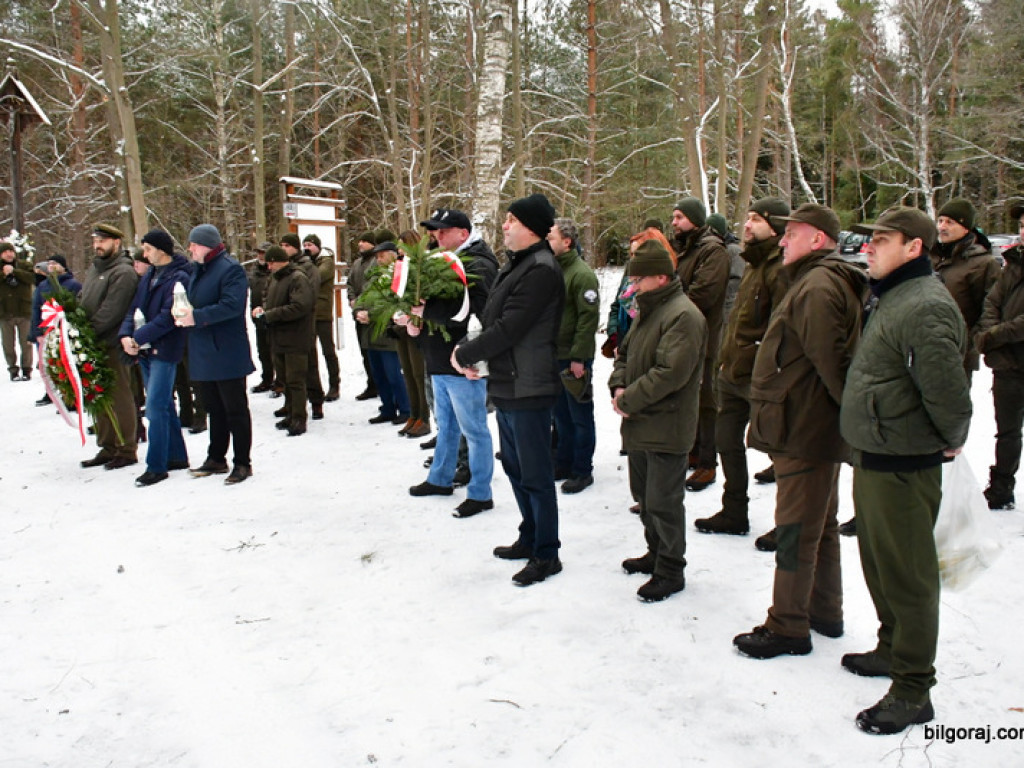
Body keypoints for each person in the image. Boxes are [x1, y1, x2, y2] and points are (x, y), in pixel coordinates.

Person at [840, 207, 971, 734]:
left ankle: (914, 689)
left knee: (909, 578)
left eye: (882, 240)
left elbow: (948, 392)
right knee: (879, 565)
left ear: (914, 247)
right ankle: (892, 649)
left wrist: (948, 440)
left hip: (904, 464)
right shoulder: (891, 295)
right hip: (875, 457)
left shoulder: (924, 305)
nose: (869, 248)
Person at [733, 203, 866, 659]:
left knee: (794, 529)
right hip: (808, 425)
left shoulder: (817, 285)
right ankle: (824, 610)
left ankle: (787, 625)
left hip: (804, 428)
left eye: (794, 233)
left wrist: (850, 421)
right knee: (819, 526)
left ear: (819, 239)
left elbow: (833, 364)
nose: (783, 240)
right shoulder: (815, 280)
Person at [452, 193, 566, 586]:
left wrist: (468, 353)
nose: (504, 225)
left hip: (530, 386)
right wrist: (479, 360)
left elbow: (510, 327)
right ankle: (530, 535)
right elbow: (491, 319)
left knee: (535, 473)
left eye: (511, 220)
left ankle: (547, 553)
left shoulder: (541, 269)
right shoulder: (515, 266)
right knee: (516, 468)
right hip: (508, 382)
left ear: (531, 227)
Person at [609, 239, 707, 601]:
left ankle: (670, 569)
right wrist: (618, 385)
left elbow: (671, 372)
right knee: (645, 497)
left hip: (667, 424)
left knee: (664, 501)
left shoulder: (684, 316)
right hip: (640, 421)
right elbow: (625, 353)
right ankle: (655, 553)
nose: (633, 286)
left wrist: (630, 398)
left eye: (640, 279)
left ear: (661, 278)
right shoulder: (648, 310)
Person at [695, 198, 790, 538]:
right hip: (732, 372)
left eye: (755, 219)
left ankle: (788, 524)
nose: (746, 225)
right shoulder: (753, 262)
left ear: (775, 225)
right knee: (727, 442)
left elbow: (782, 330)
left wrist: (764, 368)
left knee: (780, 452)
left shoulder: (782, 268)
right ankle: (734, 511)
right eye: (747, 219)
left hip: (760, 378)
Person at [406, 207, 499, 517]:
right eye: (434, 231)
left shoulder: (478, 264)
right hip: (438, 356)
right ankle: (441, 479)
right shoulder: (436, 259)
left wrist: (427, 311)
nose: (436, 236)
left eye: (442, 231)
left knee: (474, 429)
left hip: (462, 360)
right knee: (446, 426)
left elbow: (480, 312)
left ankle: (481, 493)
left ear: (463, 233)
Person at [176, 224, 255, 484]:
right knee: (214, 409)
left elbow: (232, 306)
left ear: (208, 245)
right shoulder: (197, 271)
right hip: (203, 350)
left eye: (194, 245)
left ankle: (242, 462)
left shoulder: (230, 269)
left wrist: (196, 317)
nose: (190, 249)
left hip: (226, 350)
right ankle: (216, 457)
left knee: (235, 410)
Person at [118, 229, 192, 486]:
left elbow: (170, 316)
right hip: (146, 348)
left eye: (148, 249)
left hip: (165, 347)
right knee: (164, 405)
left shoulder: (179, 276)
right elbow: (134, 306)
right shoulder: (150, 274)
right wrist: (126, 334)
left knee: (155, 406)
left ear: (161, 250)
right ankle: (176, 455)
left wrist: (138, 337)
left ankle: (156, 464)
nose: (145, 254)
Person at [670, 197, 730, 492]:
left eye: (679, 217)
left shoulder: (712, 251)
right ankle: (694, 451)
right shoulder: (688, 249)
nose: (674, 222)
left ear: (694, 219)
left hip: (707, 337)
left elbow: (702, 295)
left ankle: (708, 462)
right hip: (688, 335)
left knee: (707, 400)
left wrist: (669, 305)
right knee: (691, 395)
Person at [78, 224, 140, 470]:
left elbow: (112, 311)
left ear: (116, 242)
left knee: (120, 396)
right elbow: (85, 299)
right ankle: (108, 445)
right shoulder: (96, 268)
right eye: (95, 240)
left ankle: (126, 447)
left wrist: (86, 333)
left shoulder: (123, 272)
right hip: (93, 344)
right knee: (98, 396)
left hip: (113, 343)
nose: (97, 245)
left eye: (103, 240)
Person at [975, 202, 1024, 510]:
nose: (1023, 231)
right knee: (1006, 433)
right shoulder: (1013, 265)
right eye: (1021, 226)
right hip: (1008, 365)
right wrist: (988, 331)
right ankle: (1001, 487)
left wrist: (992, 336)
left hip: (1005, 350)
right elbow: (991, 303)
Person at [548, 218, 600, 494]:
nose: (548, 242)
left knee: (579, 415)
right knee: (562, 416)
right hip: (555, 355)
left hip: (574, 358)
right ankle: (564, 462)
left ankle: (582, 470)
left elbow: (587, 319)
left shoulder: (582, 275)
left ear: (567, 242)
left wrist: (579, 357)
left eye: (552, 238)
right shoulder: (556, 270)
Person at [932, 197, 1001, 379]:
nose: (942, 227)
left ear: (965, 227)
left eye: (949, 222)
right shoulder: (931, 257)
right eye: (940, 221)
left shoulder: (983, 263)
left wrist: (973, 341)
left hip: (958, 354)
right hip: (924, 348)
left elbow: (992, 308)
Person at [256, 245, 315, 436]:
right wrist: (263, 311)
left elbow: (300, 306)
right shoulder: (275, 279)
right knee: (285, 379)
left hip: (296, 337)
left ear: (279, 261)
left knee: (296, 379)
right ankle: (289, 412)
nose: (269, 266)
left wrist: (271, 315)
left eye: (271, 262)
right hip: (278, 336)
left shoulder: (298, 278)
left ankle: (299, 417)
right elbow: (267, 299)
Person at [355, 242, 412, 425]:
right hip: (370, 334)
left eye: (382, 256)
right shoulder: (373, 277)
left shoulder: (399, 275)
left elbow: (396, 304)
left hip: (388, 336)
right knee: (378, 375)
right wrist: (358, 311)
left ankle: (405, 408)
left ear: (393, 255)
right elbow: (362, 298)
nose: (378, 259)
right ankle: (387, 408)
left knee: (394, 375)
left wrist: (372, 314)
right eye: (377, 256)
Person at [280, 233, 325, 421]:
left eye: (286, 245)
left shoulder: (308, 267)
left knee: (310, 364)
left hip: (305, 322)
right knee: (287, 368)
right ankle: (290, 403)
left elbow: (310, 295)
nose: (283, 248)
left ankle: (316, 402)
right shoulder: (284, 268)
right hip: (286, 324)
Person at [29, 255, 82, 406]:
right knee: (47, 363)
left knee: (66, 362)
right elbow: (36, 309)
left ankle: (71, 395)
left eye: (55, 263)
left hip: (65, 329)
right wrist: (36, 332)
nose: (51, 266)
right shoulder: (43, 286)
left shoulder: (73, 285)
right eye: (49, 263)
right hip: (46, 330)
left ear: (63, 267)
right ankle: (51, 392)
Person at [303, 233, 341, 402]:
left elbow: (316, 277)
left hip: (323, 312)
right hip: (308, 313)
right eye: (305, 244)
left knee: (328, 351)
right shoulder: (307, 262)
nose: (307, 248)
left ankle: (334, 384)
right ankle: (312, 386)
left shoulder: (326, 261)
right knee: (310, 352)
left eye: (310, 245)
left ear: (318, 246)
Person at [348, 231, 379, 401]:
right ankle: (371, 384)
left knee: (375, 352)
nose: (360, 244)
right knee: (364, 351)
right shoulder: (357, 263)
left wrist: (359, 303)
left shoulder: (377, 262)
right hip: (358, 314)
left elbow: (372, 286)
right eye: (360, 240)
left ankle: (380, 384)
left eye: (365, 241)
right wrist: (352, 299)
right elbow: (350, 283)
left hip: (371, 313)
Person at [0, 240, 35, 381]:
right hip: (5, 311)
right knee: (8, 344)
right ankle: (13, 370)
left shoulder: (24, 265)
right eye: (5, 252)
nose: (9, 254)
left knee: (26, 343)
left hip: (24, 310)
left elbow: (32, 278)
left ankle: (27, 369)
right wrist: (4, 274)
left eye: (11, 251)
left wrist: (15, 272)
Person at [247, 242, 275, 393]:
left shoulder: (274, 272)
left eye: (264, 253)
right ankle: (267, 378)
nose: (261, 256)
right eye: (259, 252)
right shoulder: (254, 271)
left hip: (273, 314)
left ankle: (280, 381)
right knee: (262, 350)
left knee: (274, 350)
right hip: (257, 315)